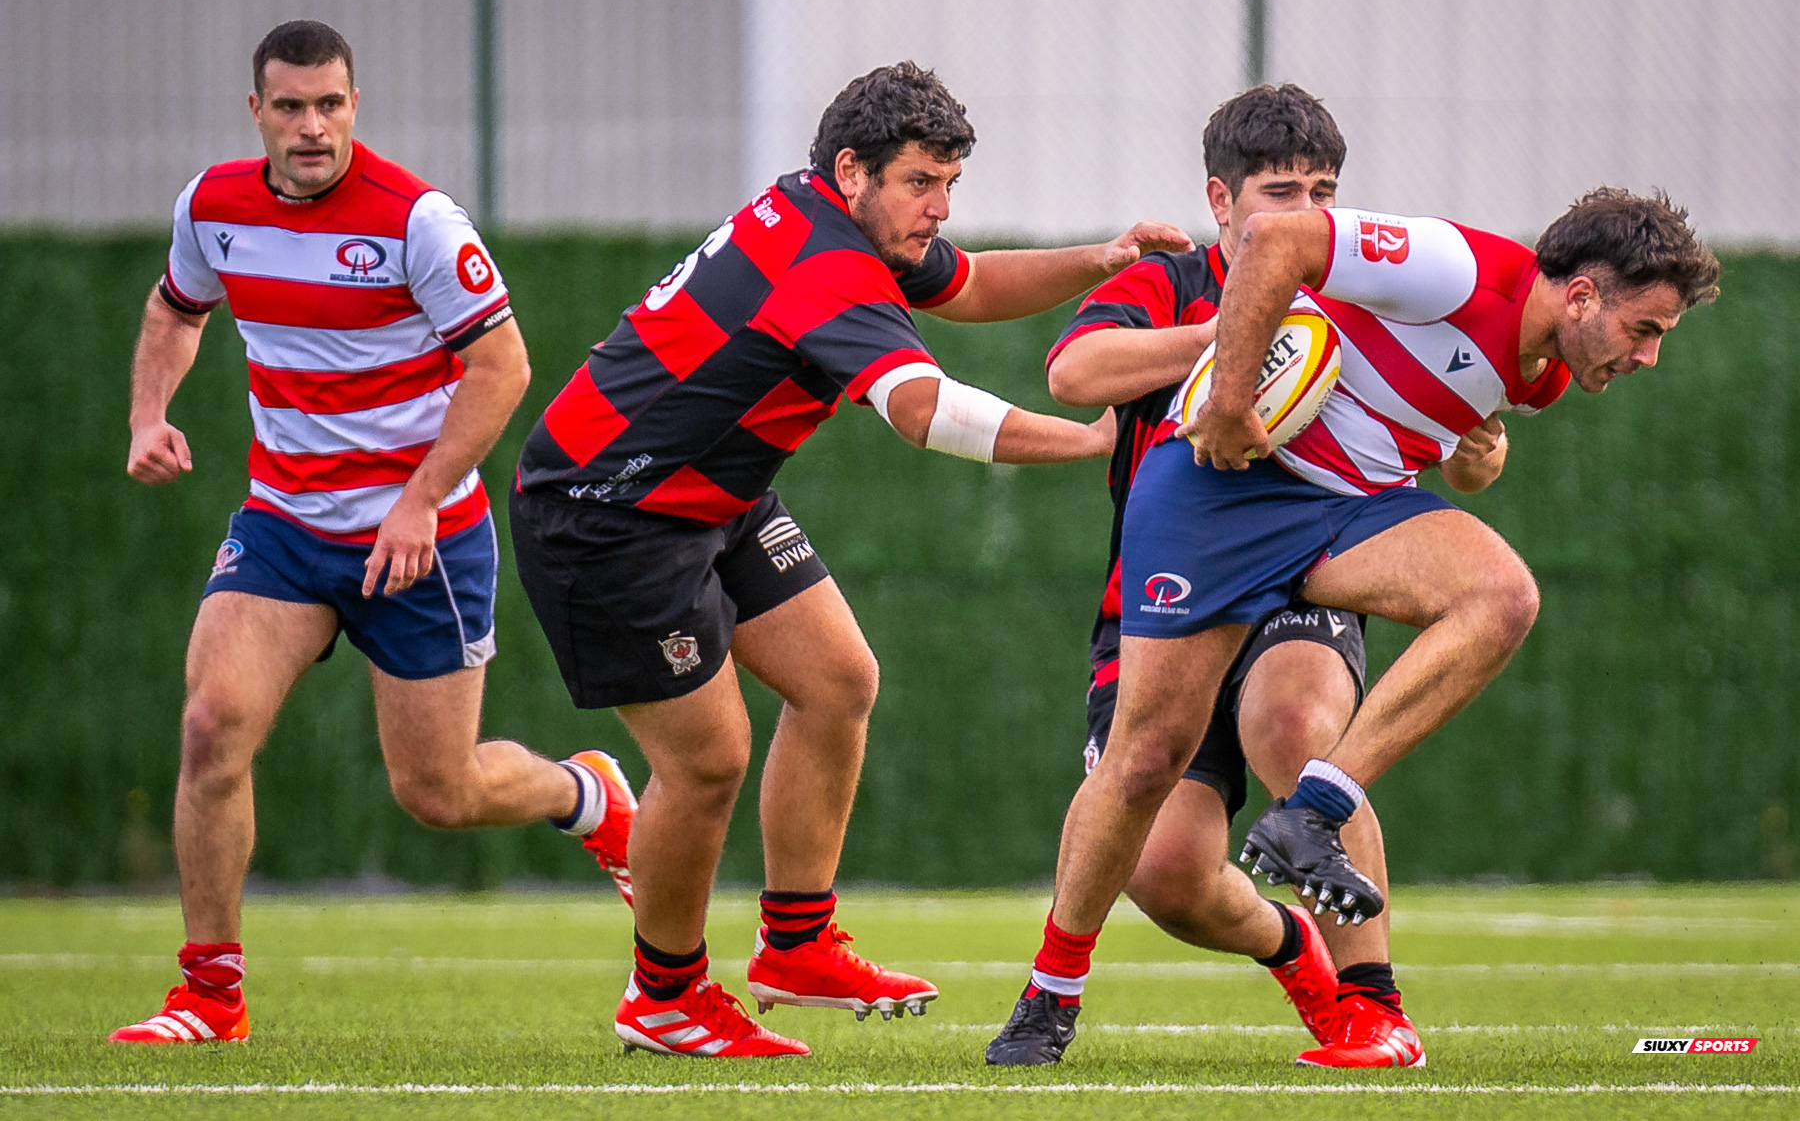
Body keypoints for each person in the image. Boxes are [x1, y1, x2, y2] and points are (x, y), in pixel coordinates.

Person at [510, 61, 1193, 1057]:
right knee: (706, 760)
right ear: (851, 171)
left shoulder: (833, 218)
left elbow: (969, 284)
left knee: (837, 680)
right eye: (924, 183)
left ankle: (794, 944)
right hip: (607, 514)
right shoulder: (825, 265)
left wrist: (1103, 256)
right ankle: (663, 995)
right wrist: (1087, 440)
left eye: (950, 184)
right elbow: (925, 411)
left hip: (714, 496)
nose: (940, 208)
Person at [989, 180, 1719, 1066]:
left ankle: (1336, 885)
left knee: (1499, 596)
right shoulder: (1459, 269)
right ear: (1579, 294)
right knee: (1146, 756)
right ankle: (1051, 993)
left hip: (1349, 515)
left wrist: (1477, 462)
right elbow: (1272, 241)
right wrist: (1225, 397)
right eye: (1644, 331)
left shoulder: (1550, 369)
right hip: (1217, 494)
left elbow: (1451, 452)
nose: (1646, 358)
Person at [111, 21, 636, 1045]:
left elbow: (504, 369)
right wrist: (146, 413)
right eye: (291, 106)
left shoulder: (416, 221)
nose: (312, 127)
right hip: (285, 529)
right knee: (211, 729)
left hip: (421, 539)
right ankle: (211, 996)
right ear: (255, 111)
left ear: (356, 104)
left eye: (331, 105)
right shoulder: (210, 209)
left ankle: (586, 795)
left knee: (438, 792)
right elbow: (177, 310)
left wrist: (416, 499)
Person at [993, 85, 1505, 1070]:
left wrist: (1477, 454)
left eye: (1322, 191)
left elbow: (1470, 458)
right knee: (1169, 870)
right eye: (1280, 192)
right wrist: (1239, 337)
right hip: (1167, 599)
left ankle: (1372, 1005)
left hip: (1302, 586)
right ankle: (1292, 951)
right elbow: (1076, 372)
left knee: (1297, 727)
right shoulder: (1172, 282)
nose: (1304, 214)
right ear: (1221, 202)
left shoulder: (1365, 294)